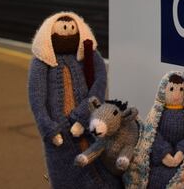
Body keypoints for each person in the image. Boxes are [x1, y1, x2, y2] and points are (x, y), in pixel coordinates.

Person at [27, 11, 121, 188]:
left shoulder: (89, 56)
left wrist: (82, 116)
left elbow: (99, 85)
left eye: (72, 29)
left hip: (90, 126)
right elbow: (36, 99)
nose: (68, 33)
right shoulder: (41, 63)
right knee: (65, 175)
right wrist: (49, 129)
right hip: (59, 134)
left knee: (100, 168)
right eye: (62, 30)